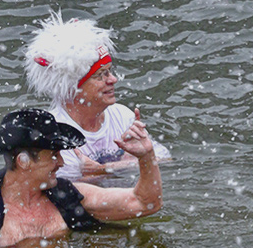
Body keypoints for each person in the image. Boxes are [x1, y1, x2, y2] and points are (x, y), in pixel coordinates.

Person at [0, 108, 162, 248]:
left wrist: (146, 156)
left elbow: (145, 203)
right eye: (53, 155)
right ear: (23, 161)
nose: (62, 163)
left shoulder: (69, 198)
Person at [24, 12, 170, 180]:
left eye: (110, 71)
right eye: (101, 74)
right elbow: (71, 195)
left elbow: (165, 160)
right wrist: (131, 163)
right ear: (74, 87)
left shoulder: (121, 115)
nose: (113, 79)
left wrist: (108, 168)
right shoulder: (55, 135)